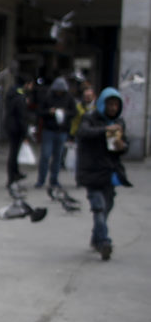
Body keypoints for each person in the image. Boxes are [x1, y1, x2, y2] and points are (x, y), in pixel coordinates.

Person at [75, 87, 132, 260]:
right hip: (92, 172)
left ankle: (96, 237)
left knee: (106, 208)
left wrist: (123, 146)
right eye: (110, 104)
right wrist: (106, 130)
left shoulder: (118, 122)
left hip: (108, 173)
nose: (113, 108)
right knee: (98, 207)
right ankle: (104, 242)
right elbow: (83, 132)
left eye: (116, 105)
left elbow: (119, 147)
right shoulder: (90, 118)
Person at [35, 77, 76, 188]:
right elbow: (40, 112)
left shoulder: (68, 98)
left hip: (62, 131)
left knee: (58, 157)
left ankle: (54, 180)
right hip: (49, 130)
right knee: (45, 155)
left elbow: (74, 112)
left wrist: (65, 113)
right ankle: (41, 180)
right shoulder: (48, 97)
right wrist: (49, 112)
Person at [4, 77, 33, 187]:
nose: (31, 87)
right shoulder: (20, 97)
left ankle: (15, 173)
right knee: (14, 153)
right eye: (30, 85)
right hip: (16, 128)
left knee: (14, 152)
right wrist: (25, 133)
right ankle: (12, 177)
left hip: (10, 126)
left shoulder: (12, 93)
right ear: (26, 84)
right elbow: (21, 116)